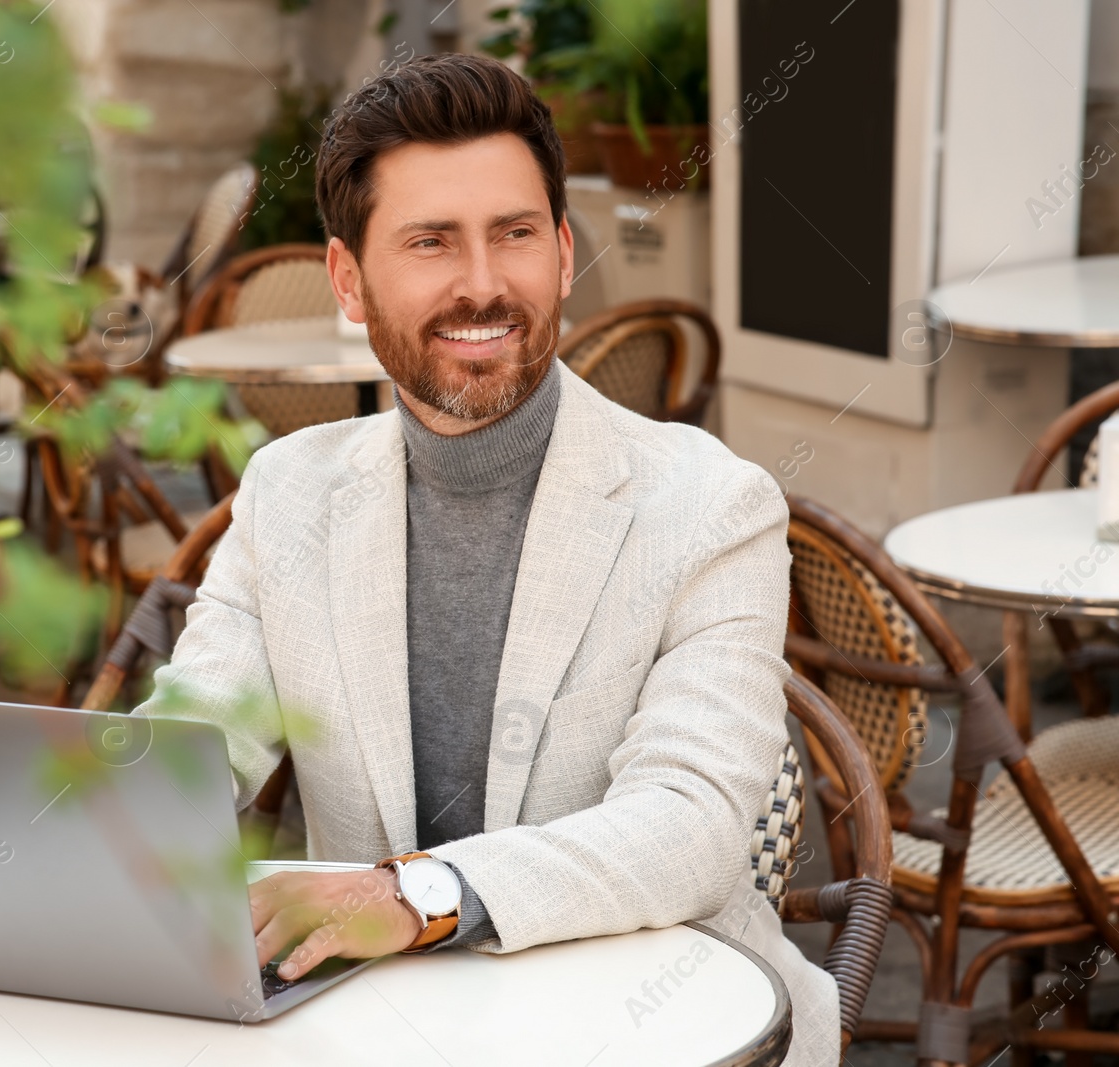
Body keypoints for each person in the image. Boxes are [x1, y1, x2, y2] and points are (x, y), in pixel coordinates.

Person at [136, 52, 838, 1064]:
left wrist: (412, 893)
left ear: (560, 253)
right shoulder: (288, 490)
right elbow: (202, 735)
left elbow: (686, 822)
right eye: (429, 242)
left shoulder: (712, 505)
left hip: (662, 1020)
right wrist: (89, 827)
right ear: (347, 278)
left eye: (512, 234)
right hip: (376, 1026)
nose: (480, 283)